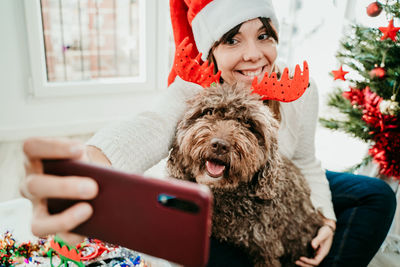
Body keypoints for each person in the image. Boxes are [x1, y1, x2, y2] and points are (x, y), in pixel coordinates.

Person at [21, 0, 396, 266]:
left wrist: (326, 219)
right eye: (232, 40)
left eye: (263, 35)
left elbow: (305, 160)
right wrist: (89, 166)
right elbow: (150, 124)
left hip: (280, 179)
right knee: (201, 250)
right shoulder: (191, 88)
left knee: (375, 195)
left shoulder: (300, 88)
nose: (253, 54)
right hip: (219, 198)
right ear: (211, 50)